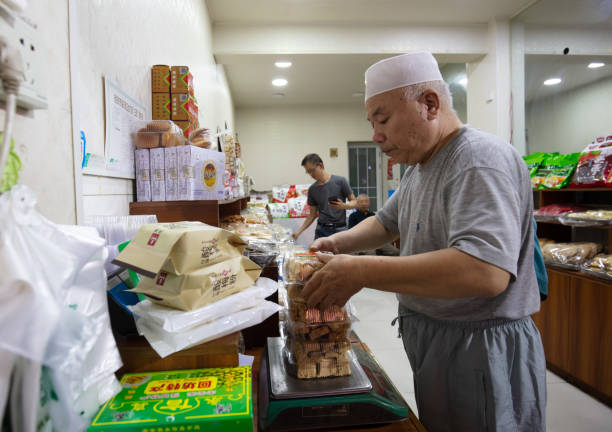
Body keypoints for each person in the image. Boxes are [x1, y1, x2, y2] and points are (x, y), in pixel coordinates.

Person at [301, 52, 545, 432]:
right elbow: (386, 223)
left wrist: (363, 269)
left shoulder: (477, 160)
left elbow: (485, 272)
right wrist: (337, 245)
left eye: (382, 119)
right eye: (372, 123)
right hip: (437, 336)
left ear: (429, 104)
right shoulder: (419, 167)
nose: (376, 135)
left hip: (479, 345)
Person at [292, 153, 357, 240]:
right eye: (308, 172)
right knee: (317, 254)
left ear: (320, 165)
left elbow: (355, 202)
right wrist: (298, 232)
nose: (311, 174)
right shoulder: (312, 189)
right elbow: (312, 215)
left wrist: (344, 206)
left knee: (340, 254)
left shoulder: (340, 181)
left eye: (312, 170)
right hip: (321, 230)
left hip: (339, 230)